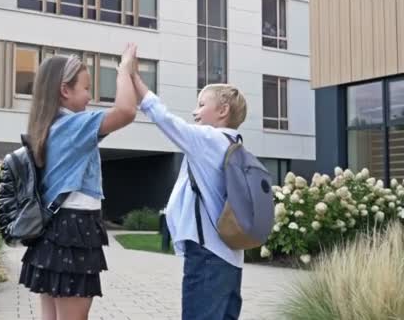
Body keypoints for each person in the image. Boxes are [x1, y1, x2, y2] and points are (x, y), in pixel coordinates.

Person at [19, 43, 139, 320]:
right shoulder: (74, 126)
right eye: (86, 88)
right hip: (74, 230)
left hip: (50, 231)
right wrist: (123, 70)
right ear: (65, 90)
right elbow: (126, 111)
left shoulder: (48, 127)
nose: (89, 97)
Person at [133, 75, 248, 320]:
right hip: (232, 259)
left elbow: (166, 120)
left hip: (208, 255)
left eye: (201, 104)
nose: (194, 111)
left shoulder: (209, 139)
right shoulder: (235, 144)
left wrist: (134, 79)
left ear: (223, 110)